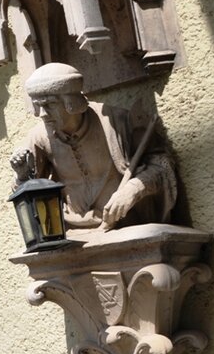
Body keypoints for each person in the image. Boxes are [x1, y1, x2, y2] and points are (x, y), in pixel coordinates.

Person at [10, 63, 176, 231]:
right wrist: (22, 176)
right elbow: (28, 193)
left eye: (50, 104)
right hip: (74, 232)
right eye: (38, 106)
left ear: (72, 103)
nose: (42, 114)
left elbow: (162, 165)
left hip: (126, 225)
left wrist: (134, 189)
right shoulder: (39, 137)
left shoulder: (116, 122)